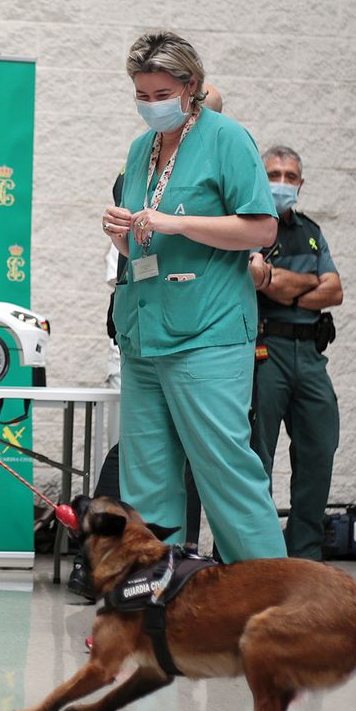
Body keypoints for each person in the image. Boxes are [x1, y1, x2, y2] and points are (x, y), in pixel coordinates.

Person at [101, 32, 284, 562]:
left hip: (206, 333)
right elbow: (148, 232)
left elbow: (261, 230)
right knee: (145, 480)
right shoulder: (142, 149)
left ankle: (274, 604)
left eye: (162, 93)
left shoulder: (227, 139)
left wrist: (177, 224)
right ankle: (150, 603)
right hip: (143, 333)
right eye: (142, 94)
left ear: (193, 87)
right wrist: (123, 230)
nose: (150, 105)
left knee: (225, 471)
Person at [247, 145, 343, 559]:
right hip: (268, 352)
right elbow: (256, 280)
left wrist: (280, 282)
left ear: (301, 184)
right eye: (274, 174)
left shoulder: (310, 230)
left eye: (290, 176)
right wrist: (308, 281)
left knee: (320, 447)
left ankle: (305, 553)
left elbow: (335, 290)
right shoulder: (251, 228)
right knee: (258, 456)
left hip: (311, 354)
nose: (282, 183)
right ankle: (259, 552)